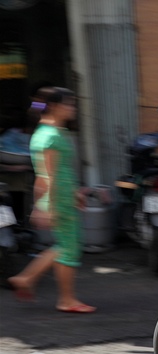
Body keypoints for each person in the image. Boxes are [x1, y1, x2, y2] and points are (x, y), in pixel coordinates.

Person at [8, 86, 96, 313]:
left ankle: (29, 280)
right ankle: (63, 298)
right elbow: (47, 175)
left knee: (66, 247)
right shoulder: (50, 136)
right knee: (68, 248)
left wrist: (75, 193)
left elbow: (61, 170)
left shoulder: (53, 132)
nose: (73, 108)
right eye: (69, 104)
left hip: (64, 196)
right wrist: (44, 207)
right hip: (58, 199)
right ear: (55, 107)